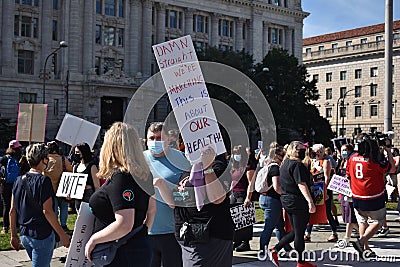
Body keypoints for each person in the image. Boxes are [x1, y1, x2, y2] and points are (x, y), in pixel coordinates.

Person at [84, 122, 156, 266]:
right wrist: (142, 233)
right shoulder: (144, 175)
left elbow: (124, 223)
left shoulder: (121, 177)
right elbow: (152, 210)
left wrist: (94, 239)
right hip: (136, 247)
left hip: (120, 252)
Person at [9, 143, 70, 267]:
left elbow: (12, 210)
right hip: (41, 234)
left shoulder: (18, 180)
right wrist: (62, 234)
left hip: (24, 233)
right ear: (43, 159)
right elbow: (47, 211)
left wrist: (13, 235)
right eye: (47, 157)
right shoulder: (43, 181)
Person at [174, 148, 234, 267]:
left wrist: (208, 168)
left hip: (210, 236)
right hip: (189, 236)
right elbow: (176, 200)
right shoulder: (190, 168)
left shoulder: (219, 167)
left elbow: (217, 198)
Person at [143, 122, 191, 267]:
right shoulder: (137, 160)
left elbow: (188, 195)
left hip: (173, 232)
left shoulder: (182, 159)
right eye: (152, 138)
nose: (155, 142)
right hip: (145, 231)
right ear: (146, 140)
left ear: (168, 139)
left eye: (159, 138)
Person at [267, 141, 316, 267]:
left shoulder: (285, 163)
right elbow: (301, 184)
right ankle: (301, 261)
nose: (303, 151)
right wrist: (310, 201)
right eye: (300, 149)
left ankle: (276, 249)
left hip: (287, 199)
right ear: (293, 150)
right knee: (299, 232)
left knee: (296, 230)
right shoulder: (296, 165)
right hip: (297, 201)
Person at [347, 135, 395, 257]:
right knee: (377, 222)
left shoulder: (352, 158)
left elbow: (348, 175)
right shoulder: (375, 160)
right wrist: (388, 151)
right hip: (373, 196)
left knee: (363, 222)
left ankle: (365, 249)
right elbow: (392, 169)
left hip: (357, 195)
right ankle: (361, 242)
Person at [258, 145, 292, 255]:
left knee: (279, 226)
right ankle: (263, 250)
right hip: (272, 200)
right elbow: (277, 187)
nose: (284, 157)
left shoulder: (268, 165)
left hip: (266, 198)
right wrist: (286, 194)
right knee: (269, 227)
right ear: (276, 156)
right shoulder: (275, 167)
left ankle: (287, 247)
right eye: (282, 155)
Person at [304, 144, 338, 243]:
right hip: (313, 188)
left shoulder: (326, 162)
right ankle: (308, 234)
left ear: (319, 152)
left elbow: (327, 178)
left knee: (327, 212)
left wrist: (325, 192)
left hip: (323, 189)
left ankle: (334, 232)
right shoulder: (312, 161)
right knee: (312, 211)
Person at [229, 145, 256, 252]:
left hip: (244, 193)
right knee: (233, 219)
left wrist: (248, 198)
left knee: (244, 220)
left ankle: (245, 242)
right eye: (235, 153)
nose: (236, 155)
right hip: (234, 193)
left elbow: (251, 182)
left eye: (238, 153)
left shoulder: (248, 165)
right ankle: (237, 240)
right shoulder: (234, 165)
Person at [43, 141, 73, 231]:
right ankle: (63, 225)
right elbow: (70, 171)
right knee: (64, 207)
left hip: (50, 188)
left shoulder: (45, 160)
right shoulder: (63, 159)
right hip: (63, 187)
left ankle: (54, 226)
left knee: (54, 208)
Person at [0, 140, 28, 234]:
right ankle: (17, 226)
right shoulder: (22, 159)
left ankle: (5, 227)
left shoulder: (4, 158)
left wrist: (2, 178)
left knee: (6, 205)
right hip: (18, 184)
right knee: (17, 205)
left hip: (6, 184)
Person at [337, 144, 358, 246]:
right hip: (343, 191)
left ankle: (347, 237)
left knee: (350, 217)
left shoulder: (352, 160)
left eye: (345, 150)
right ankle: (364, 231)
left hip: (350, 191)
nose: (343, 152)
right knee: (347, 216)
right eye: (342, 150)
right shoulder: (343, 161)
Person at [72, 142, 99, 212]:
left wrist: (96, 200)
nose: (76, 154)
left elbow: (97, 186)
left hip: (88, 195)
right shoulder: (76, 167)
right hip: (78, 196)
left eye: (78, 152)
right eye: (75, 152)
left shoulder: (92, 167)